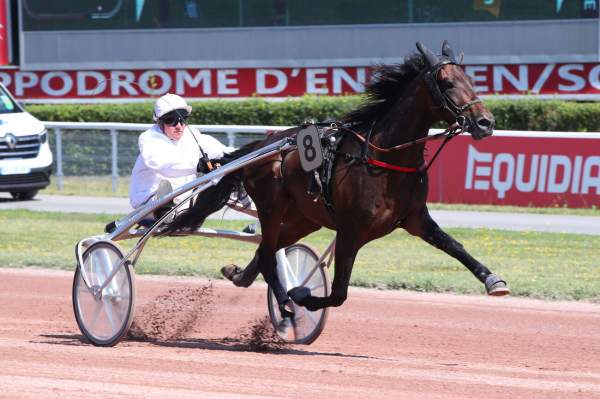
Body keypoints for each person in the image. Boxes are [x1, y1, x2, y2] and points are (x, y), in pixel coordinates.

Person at [129, 93, 235, 214]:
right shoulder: (149, 138)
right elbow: (162, 164)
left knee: (228, 187)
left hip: (185, 197)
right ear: (159, 122)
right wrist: (199, 166)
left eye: (183, 119)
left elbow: (222, 151)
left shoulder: (192, 134)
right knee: (167, 192)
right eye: (171, 120)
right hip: (148, 200)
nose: (179, 126)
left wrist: (246, 153)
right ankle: (165, 210)